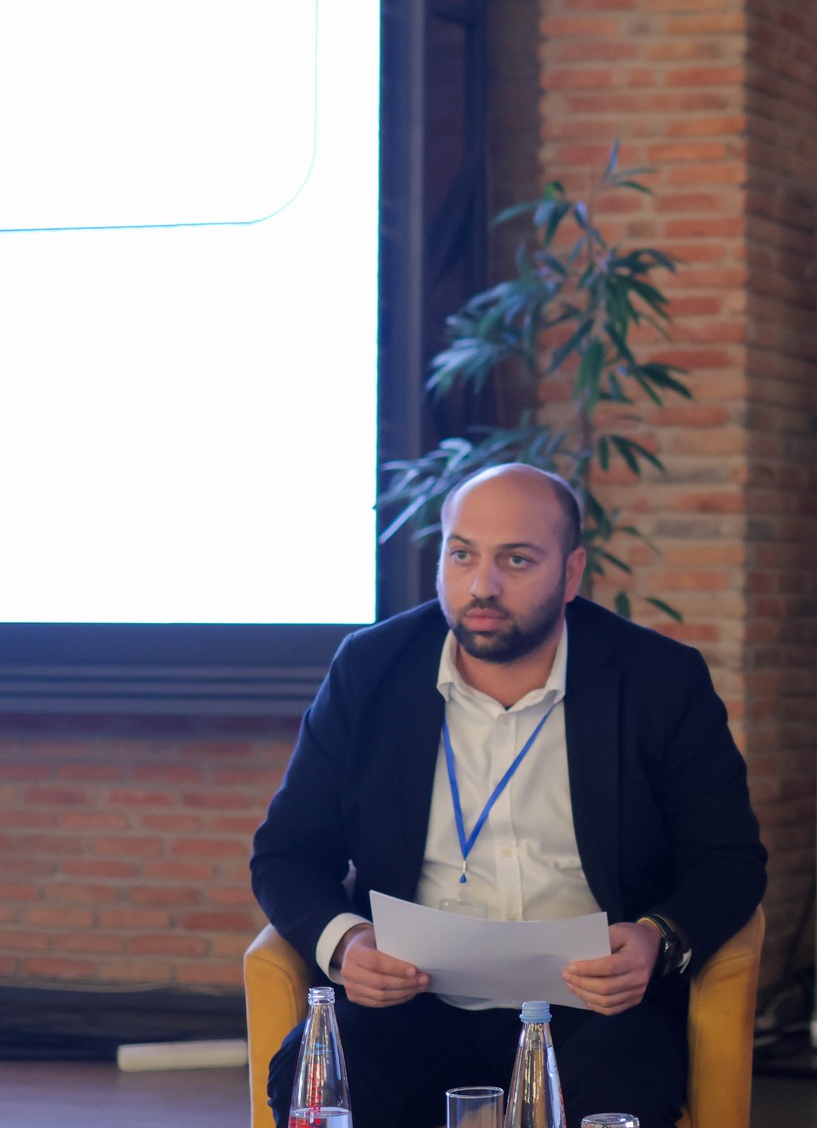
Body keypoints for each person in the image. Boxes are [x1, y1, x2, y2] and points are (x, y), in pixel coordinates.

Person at [253, 464, 765, 1127]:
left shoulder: (658, 679)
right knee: (316, 1071)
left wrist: (654, 938)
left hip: (593, 1007)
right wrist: (347, 942)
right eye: (462, 555)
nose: (481, 586)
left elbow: (728, 860)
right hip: (414, 999)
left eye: (516, 559)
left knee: (626, 1079)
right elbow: (288, 852)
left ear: (571, 573)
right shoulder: (371, 669)